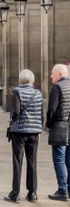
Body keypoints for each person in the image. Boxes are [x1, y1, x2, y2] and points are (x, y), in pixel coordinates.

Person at [4, 69, 43, 203]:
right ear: (32, 80)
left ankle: (15, 193)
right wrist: (39, 128)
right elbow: (41, 114)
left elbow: (15, 112)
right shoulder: (38, 93)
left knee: (17, 161)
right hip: (34, 132)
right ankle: (32, 193)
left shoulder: (17, 91)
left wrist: (11, 121)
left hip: (19, 132)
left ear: (20, 80)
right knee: (32, 162)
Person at [46, 64, 70, 201]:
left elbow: (52, 110)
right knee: (68, 158)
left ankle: (62, 190)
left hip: (60, 126)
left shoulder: (57, 87)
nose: (51, 76)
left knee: (59, 159)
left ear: (60, 74)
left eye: (52, 74)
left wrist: (48, 125)